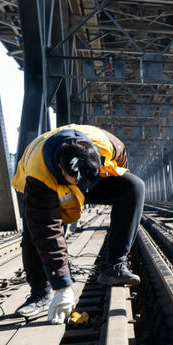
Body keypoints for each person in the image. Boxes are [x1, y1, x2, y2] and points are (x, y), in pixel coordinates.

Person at [12, 124, 145, 324]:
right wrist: (62, 285)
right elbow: (48, 233)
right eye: (77, 180)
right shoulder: (38, 175)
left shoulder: (110, 146)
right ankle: (40, 294)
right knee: (35, 232)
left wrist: (91, 183)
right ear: (60, 168)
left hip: (88, 176)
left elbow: (121, 168)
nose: (81, 184)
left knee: (133, 187)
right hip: (43, 187)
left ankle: (115, 266)